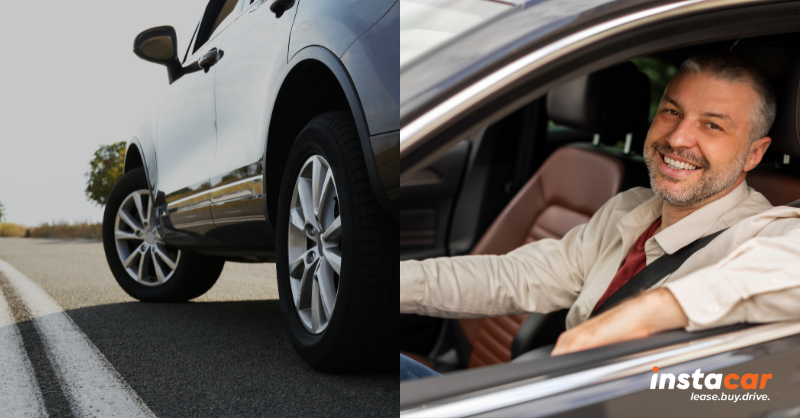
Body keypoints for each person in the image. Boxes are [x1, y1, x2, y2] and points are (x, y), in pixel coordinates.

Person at [400, 51, 800, 381]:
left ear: (754, 153)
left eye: (712, 125)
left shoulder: (762, 234)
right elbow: (513, 276)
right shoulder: (627, 209)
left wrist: (649, 312)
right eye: (672, 112)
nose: (678, 139)